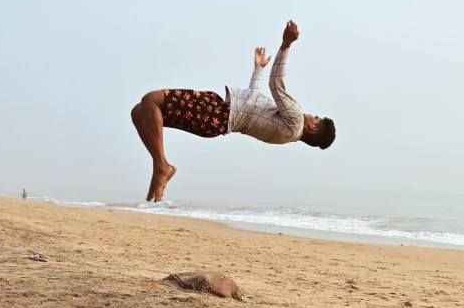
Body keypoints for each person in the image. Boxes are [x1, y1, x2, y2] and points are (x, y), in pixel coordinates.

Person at [131, 21, 336, 202]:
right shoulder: (287, 134)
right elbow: (252, 102)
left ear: (312, 126)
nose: (311, 115)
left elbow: (276, 84)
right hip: (215, 122)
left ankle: (161, 167)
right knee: (140, 112)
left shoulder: (296, 119)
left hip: (215, 112)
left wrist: (285, 45)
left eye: (315, 117)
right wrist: (258, 69)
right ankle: (157, 178)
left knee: (150, 100)